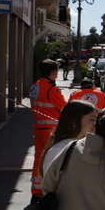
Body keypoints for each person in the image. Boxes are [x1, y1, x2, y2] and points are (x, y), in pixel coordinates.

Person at [30, 59, 66, 200]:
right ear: (53, 72)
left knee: (38, 160)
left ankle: (36, 192)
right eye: (57, 71)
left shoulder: (35, 86)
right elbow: (65, 109)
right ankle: (52, 191)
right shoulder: (52, 89)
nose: (57, 74)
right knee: (54, 161)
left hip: (38, 128)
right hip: (51, 131)